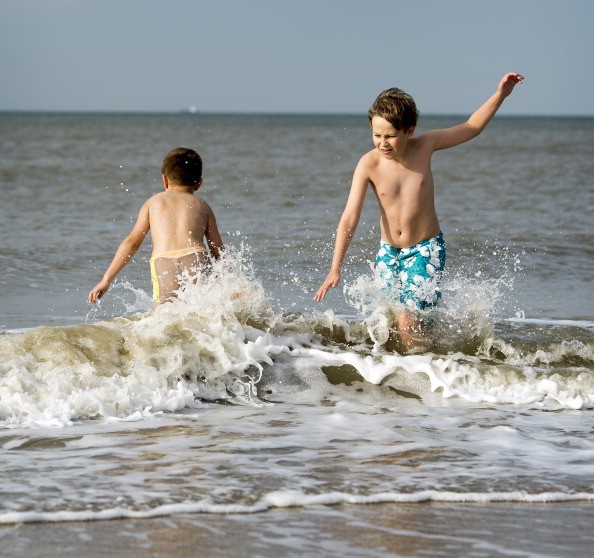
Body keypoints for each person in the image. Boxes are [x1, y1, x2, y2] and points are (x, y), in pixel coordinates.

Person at [314, 72, 524, 352]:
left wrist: (501, 94)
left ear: (409, 130)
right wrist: (334, 268)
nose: (383, 143)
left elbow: (471, 127)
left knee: (406, 320)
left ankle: (424, 375)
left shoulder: (425, 146)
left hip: (426, 249)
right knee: (387, 323)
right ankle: (417, 367)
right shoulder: (368, 164)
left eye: (390, 135)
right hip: (389, 253)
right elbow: (349, 217)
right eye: (377, 135)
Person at [88, 147, 224, 305]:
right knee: (200, 311)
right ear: (199, 183)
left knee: (164, 316)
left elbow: (132, 242)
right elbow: (217, 250)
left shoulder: (153, 203)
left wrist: (106, 280)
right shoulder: (202, 206)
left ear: (165, 180)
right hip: (195, 257)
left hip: (163, 261)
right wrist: (228, 280)